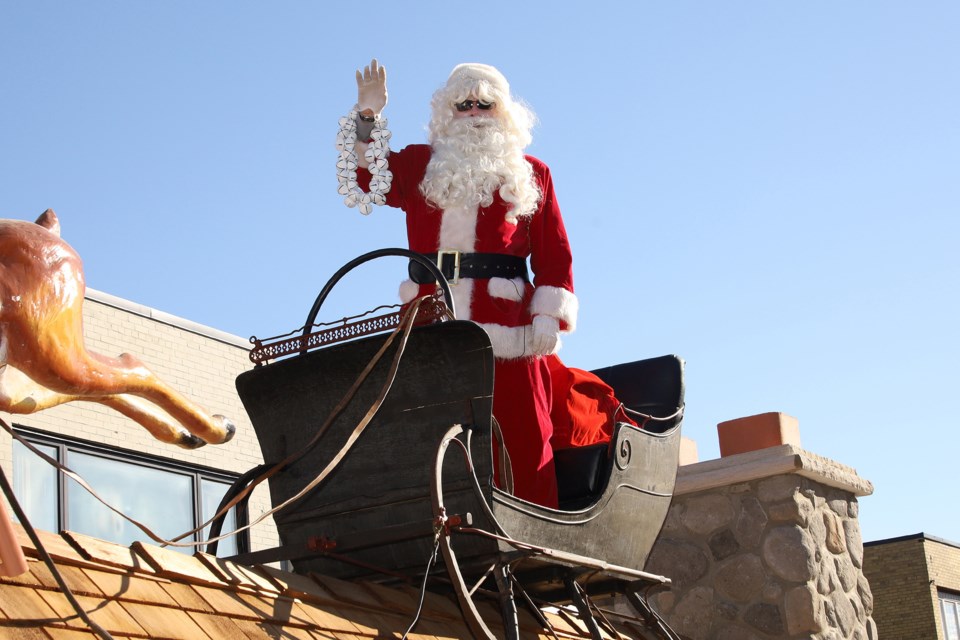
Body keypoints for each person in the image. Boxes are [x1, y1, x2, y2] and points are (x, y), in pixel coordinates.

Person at [335, 59, 577, 508]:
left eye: (484, 104)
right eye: (463, 104)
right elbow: (365, 177)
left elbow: (554, 251)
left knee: (524, 434)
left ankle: (532, 533)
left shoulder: (532, 173)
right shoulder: (418, 164)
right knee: (426, 433)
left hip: (507, 327)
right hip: (430, 321)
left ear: (501, 112)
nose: (473, 112)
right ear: (448, 112)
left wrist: (547, 316)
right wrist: (368, 116)